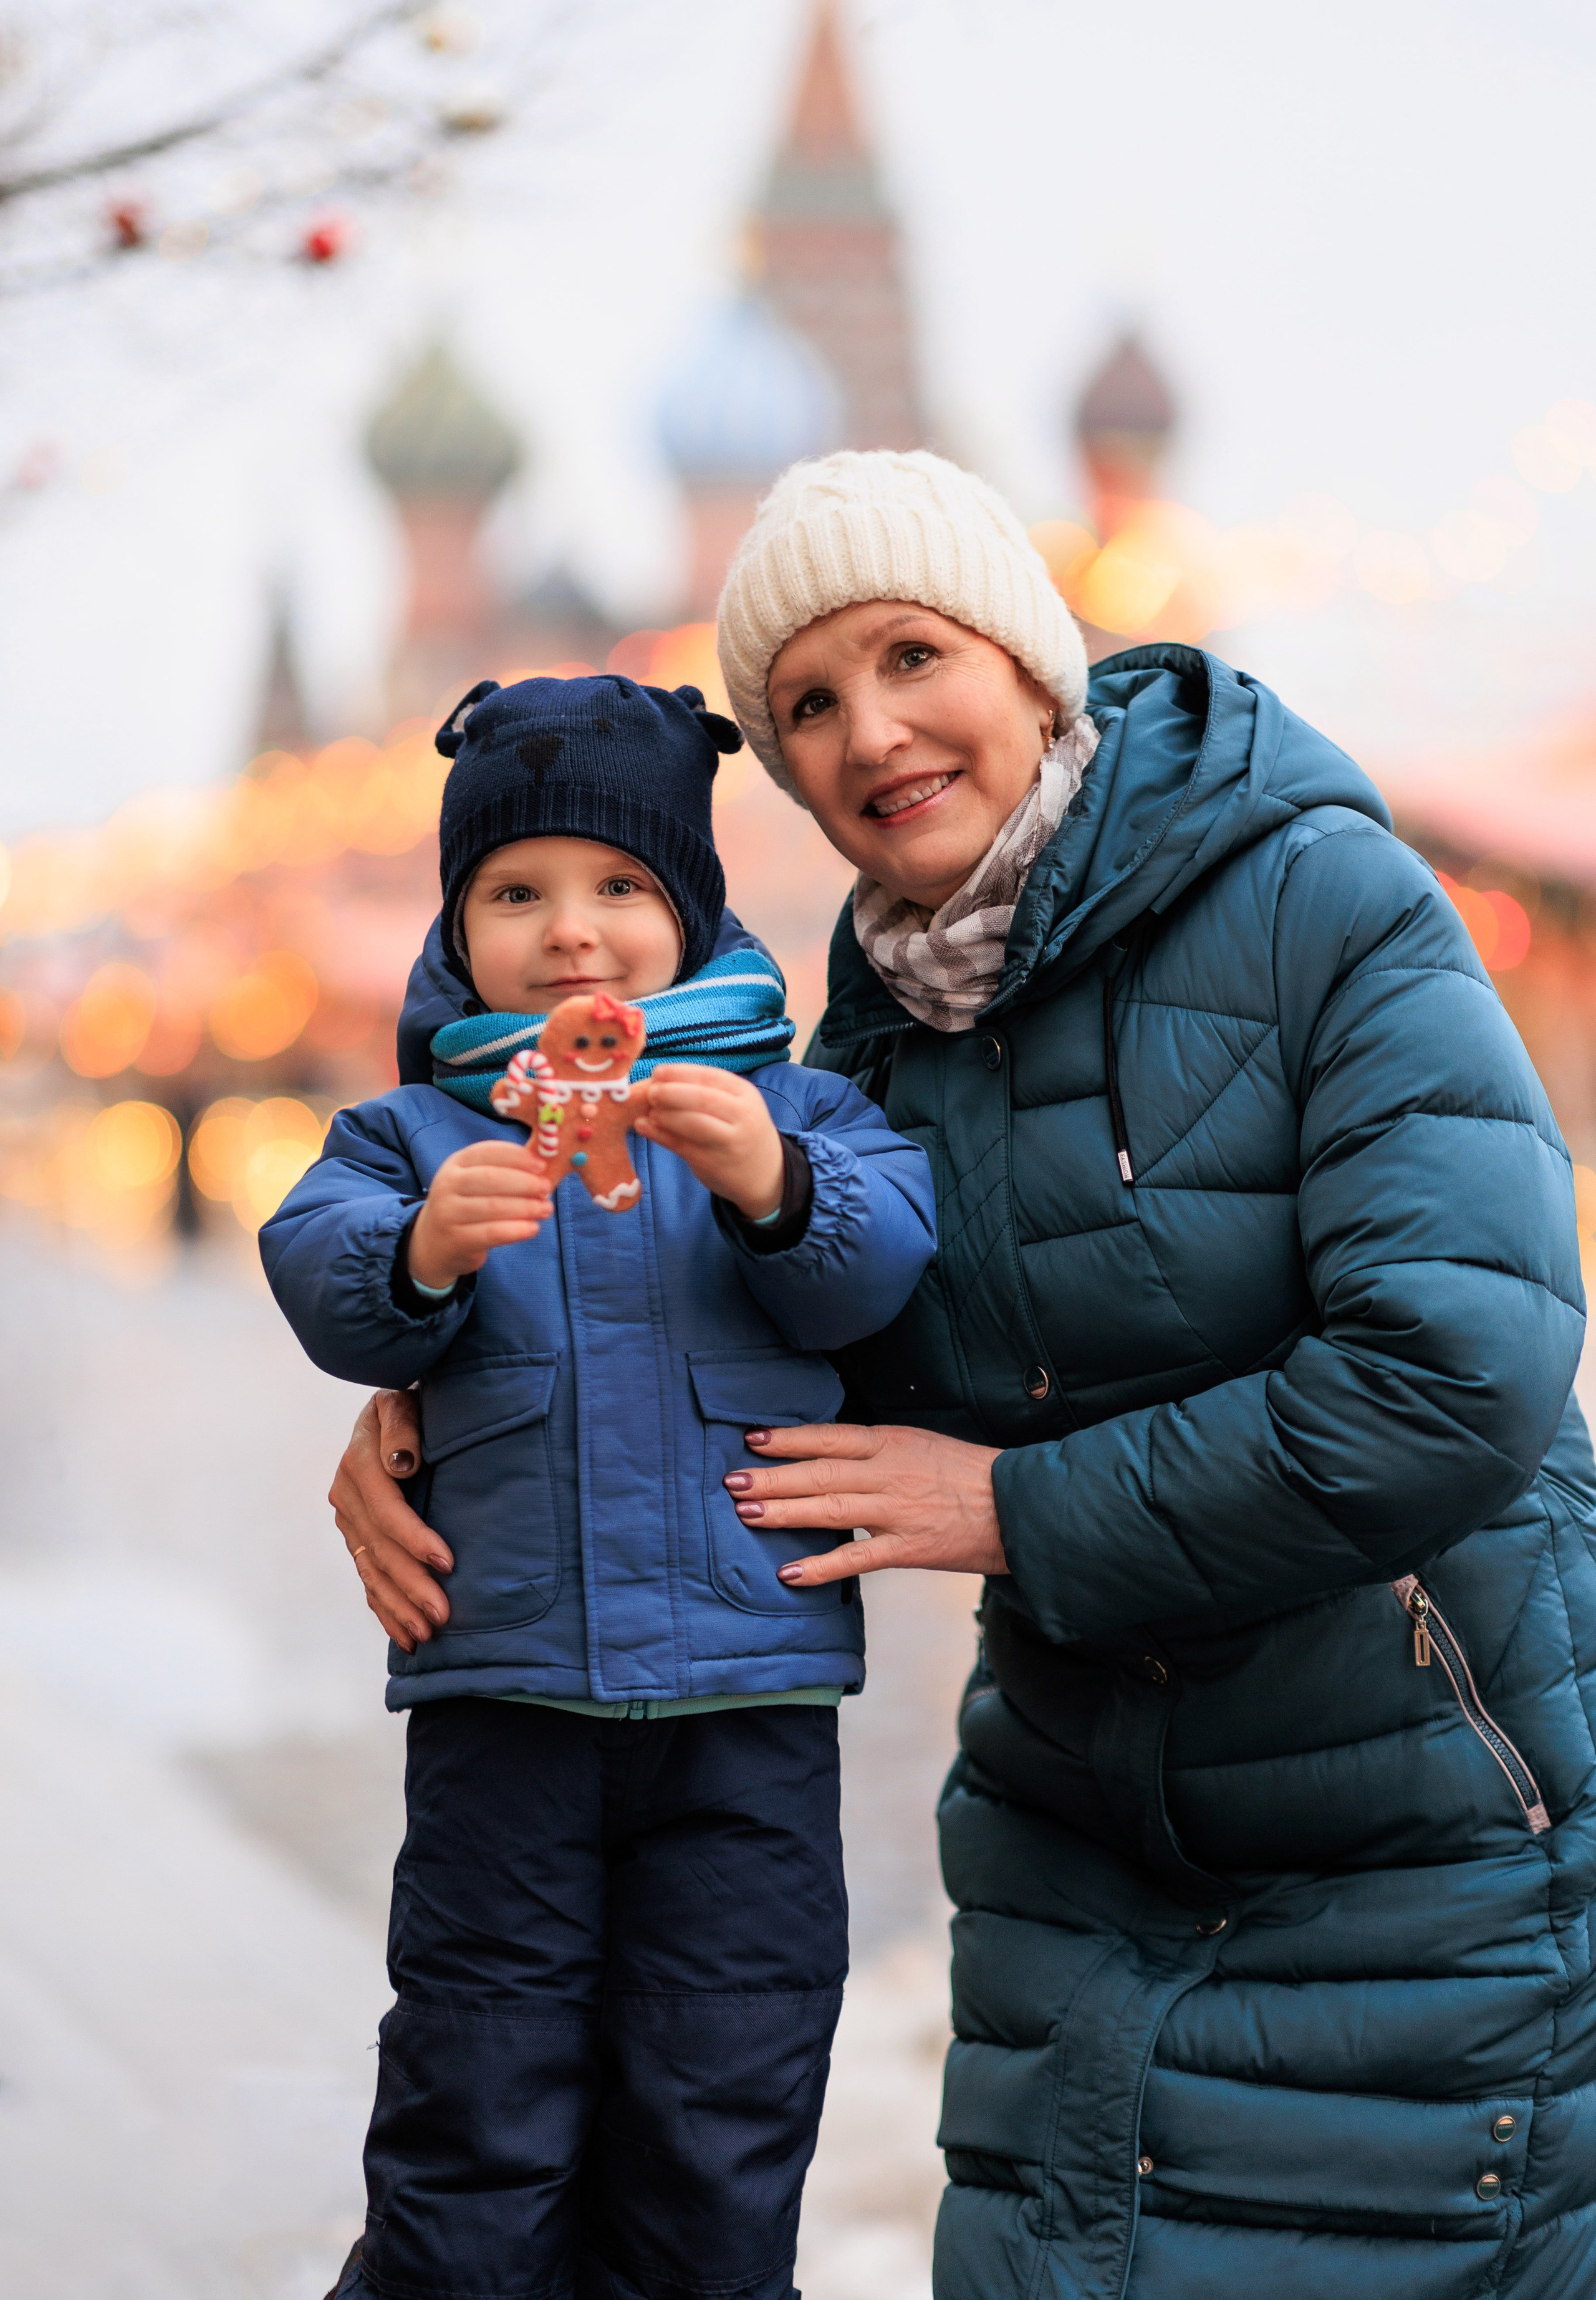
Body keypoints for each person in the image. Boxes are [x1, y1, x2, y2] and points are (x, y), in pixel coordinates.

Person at [331, 450, 1596, 2299]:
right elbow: (760, 1349)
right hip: (1071, 1837)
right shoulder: (860, 1047)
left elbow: (1459, 1373)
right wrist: (423, 1411)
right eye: (809, 707)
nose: (873, 735)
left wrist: (1009, 1505)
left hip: (1419, 1823)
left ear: (1028, 658)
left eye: (915, 655)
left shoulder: (1321, 895)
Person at [262, 671, 936, 2300]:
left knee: (722, 2097)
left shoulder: (792, 1109)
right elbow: (320, 1272)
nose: (571, 934)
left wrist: (775, 1190)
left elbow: (884, 1268)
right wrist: (421, 1247)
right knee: (475, 2094)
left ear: (692, 916)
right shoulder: (415, 1131)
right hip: (507, 1711)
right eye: (516, 893)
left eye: (621, 887)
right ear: (458, 928)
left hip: (746, 1716)